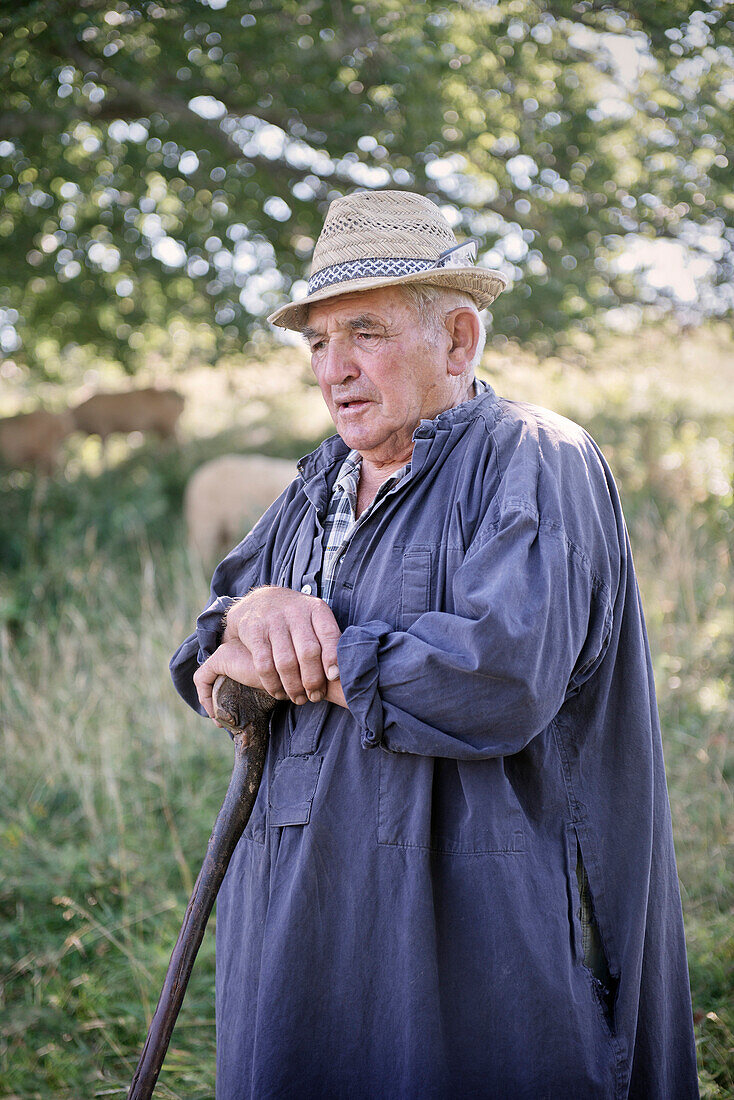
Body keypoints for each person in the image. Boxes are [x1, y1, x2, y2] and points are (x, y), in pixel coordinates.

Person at [170, 190, 698, 1098]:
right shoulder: (318, 481)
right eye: (317, 342)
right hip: (301, 920)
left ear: (459, 341)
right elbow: (209, 653)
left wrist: (321, 657)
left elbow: (499, 677)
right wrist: (250, 617)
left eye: (365, 332)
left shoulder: (534, 458)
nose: (334, 369)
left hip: (483, 932)